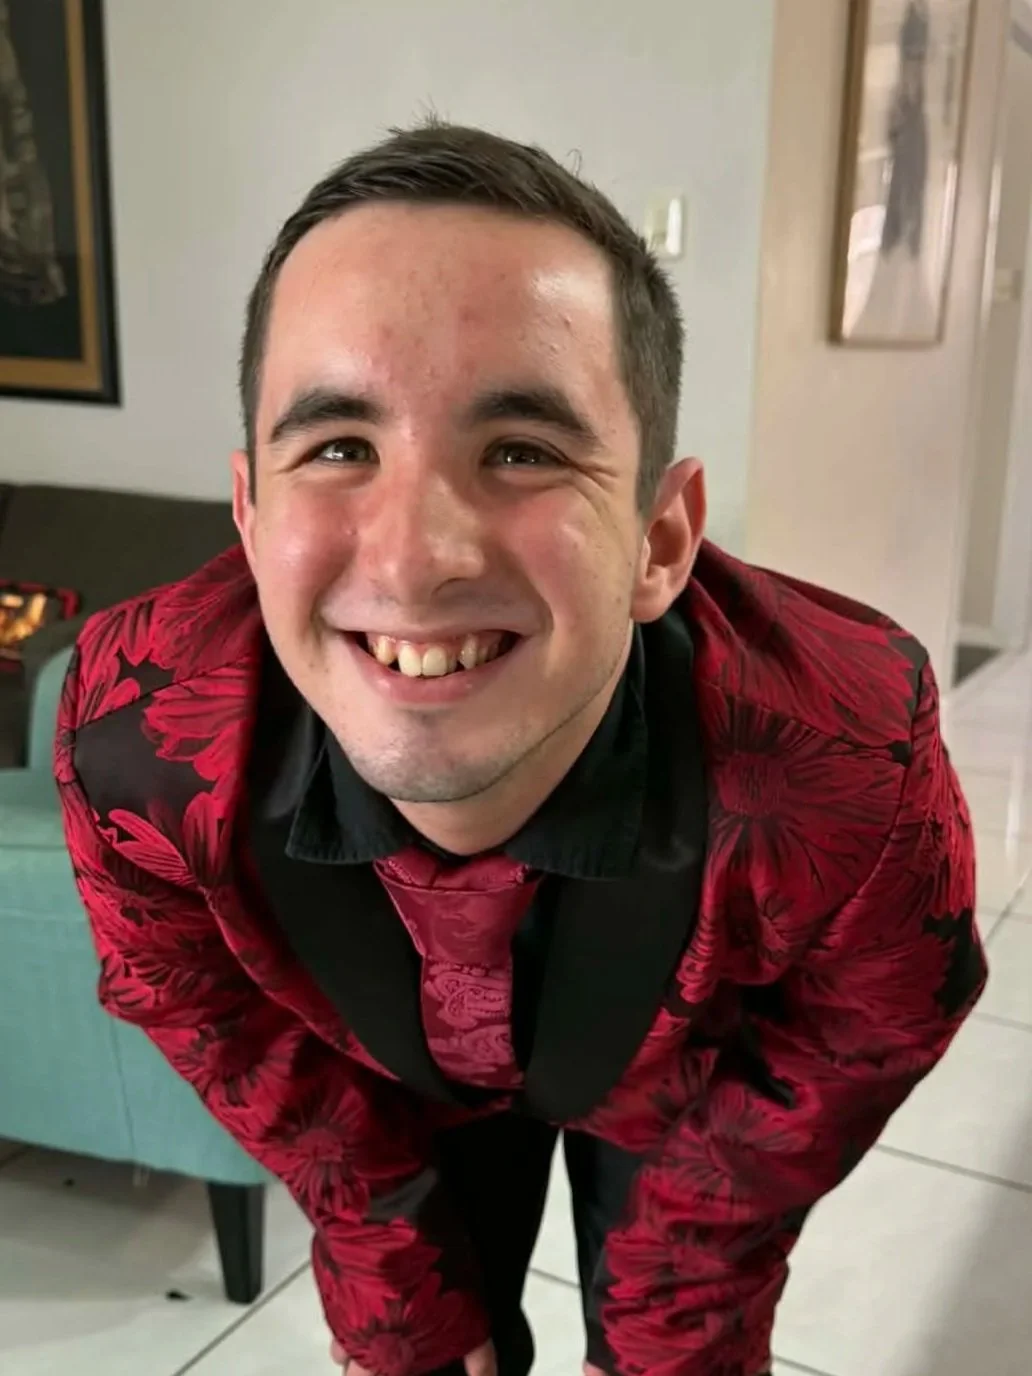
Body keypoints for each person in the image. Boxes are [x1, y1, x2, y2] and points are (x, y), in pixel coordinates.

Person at [56, 123, 984, 1376]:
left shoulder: (856, 751)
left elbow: (865, 1026)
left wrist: (675, 1306)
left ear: (662, 539)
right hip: (381, 1081)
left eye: (522, 450)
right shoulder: (131, 738)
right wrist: (392, 1261)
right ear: (251, 513)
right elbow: (201, 1003)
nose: (413, 558)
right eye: (338, 447)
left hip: (679, 1069)